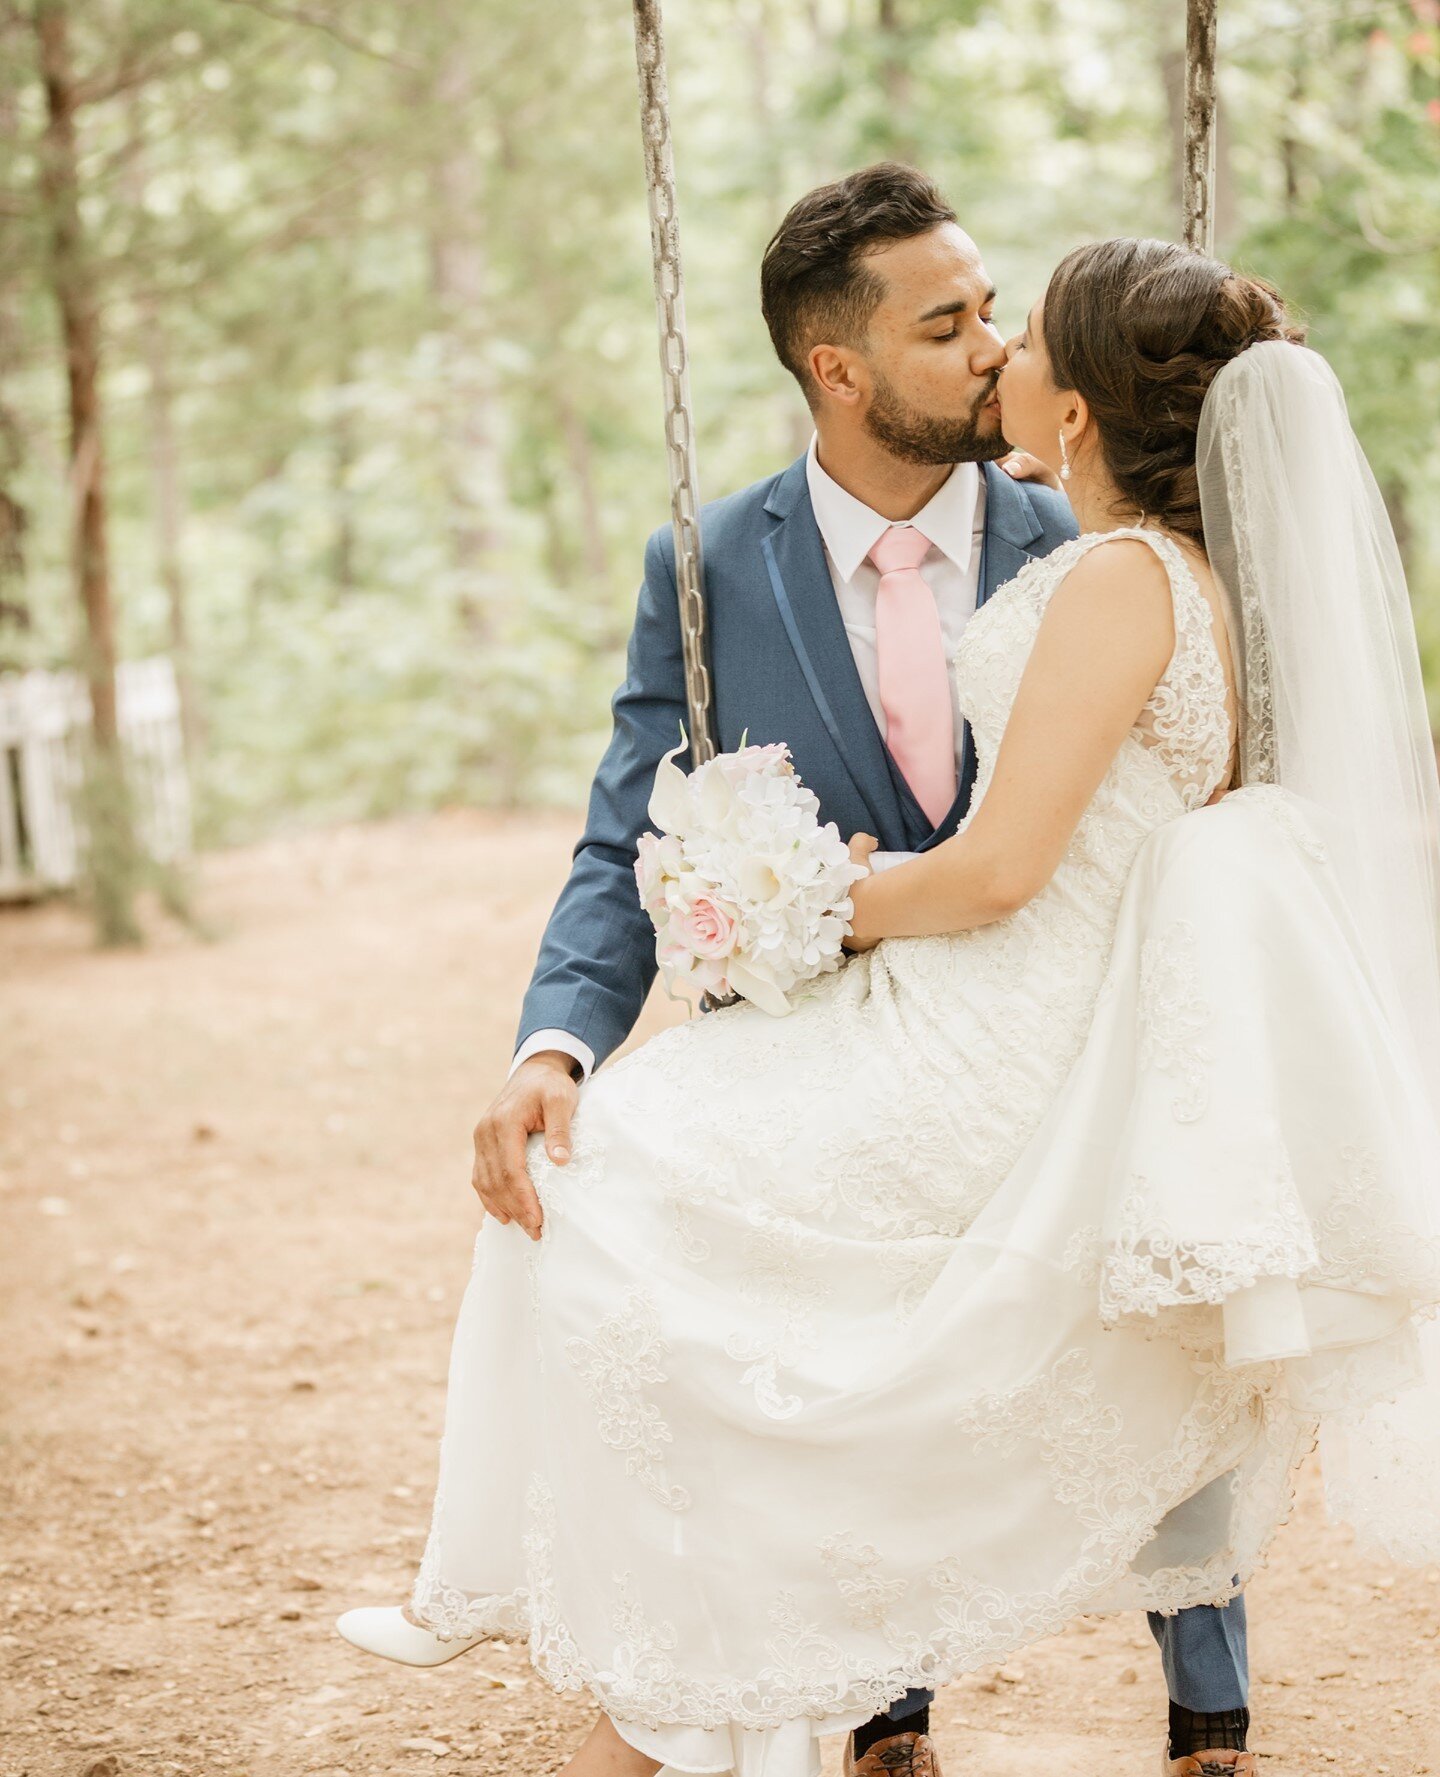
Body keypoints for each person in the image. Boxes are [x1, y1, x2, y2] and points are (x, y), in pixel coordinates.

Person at [336, 199, 1440, 1777]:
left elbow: (1040, 854)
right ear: (833, 366)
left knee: (690, 1224)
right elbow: (621, 827)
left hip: (1031, 1029)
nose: (990, 348)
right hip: (952, 1014)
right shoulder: (712, 564)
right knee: (641, 1218)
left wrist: (807, 904)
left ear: (1080, 407)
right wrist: (561, 1038)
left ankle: (1203, 1709)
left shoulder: (1102, 550)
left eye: (1003, 316)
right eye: (948, 326)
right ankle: (790, 1691)